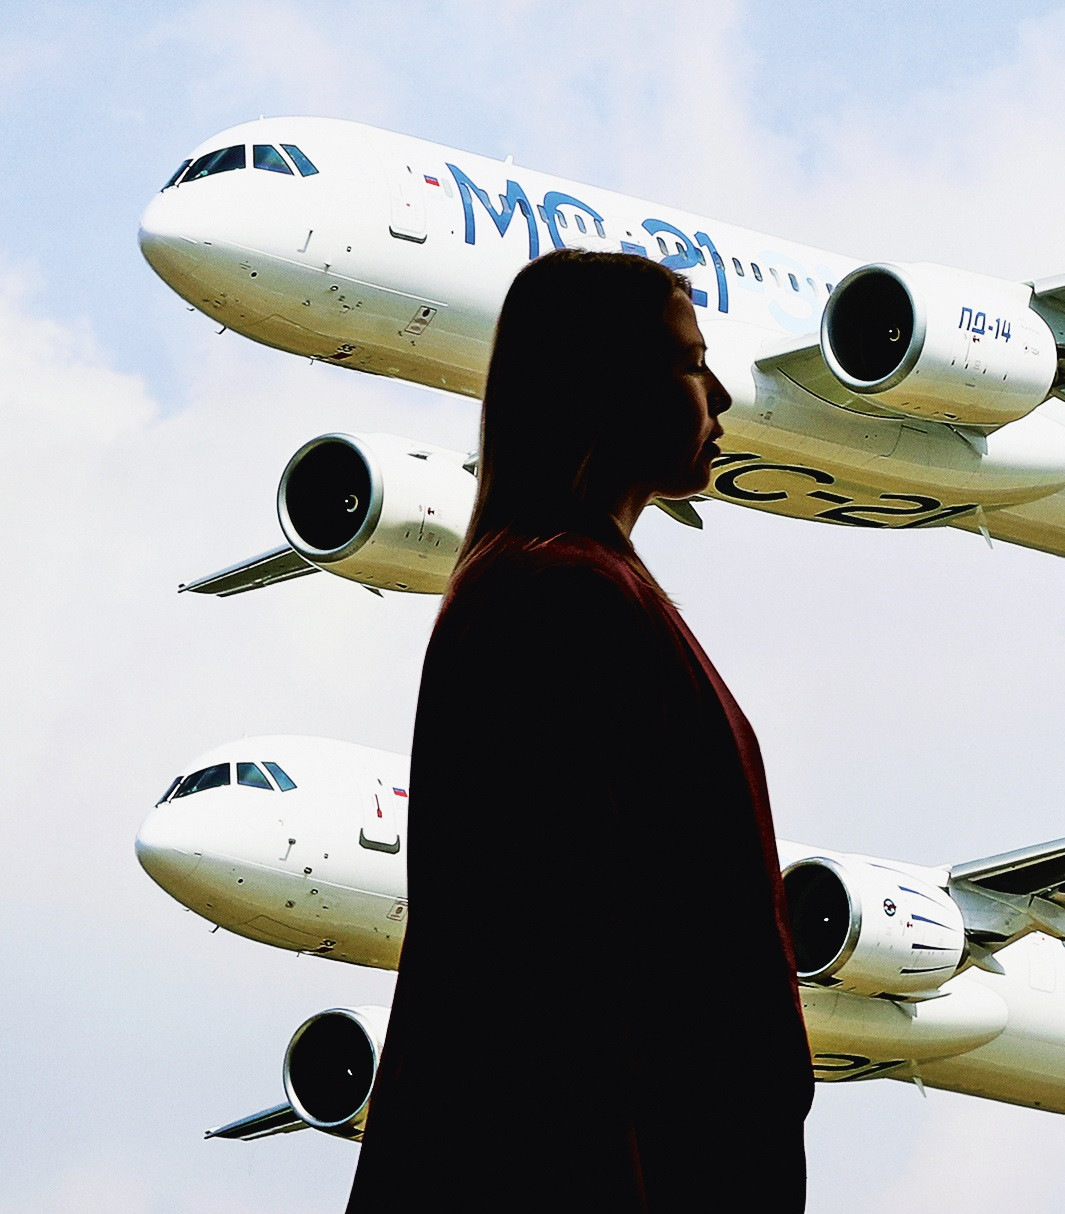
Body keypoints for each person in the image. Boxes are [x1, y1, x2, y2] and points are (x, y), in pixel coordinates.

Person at [345, 251, 814, 1212]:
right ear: (609, 386)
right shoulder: (562, 597)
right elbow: (556, 963)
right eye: (692, 364)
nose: (722, 395)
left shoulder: (563, 586)